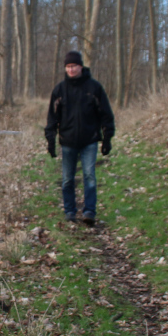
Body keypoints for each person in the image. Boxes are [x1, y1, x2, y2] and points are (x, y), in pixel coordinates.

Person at [44, 50, 115, 224]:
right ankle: (70, 211)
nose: (71, 70)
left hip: (89, 140)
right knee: (67, 179)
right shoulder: (59, 90)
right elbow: (52, 117)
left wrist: (107, 139)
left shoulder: (94, 88)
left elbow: (106, 115)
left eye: (74, 66)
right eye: (68, 67)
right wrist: (51, 140)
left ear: (81, 66)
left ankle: (89, 211)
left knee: (89, 176)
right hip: (68, 141)